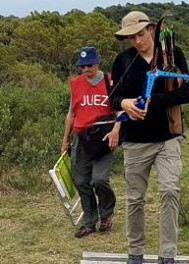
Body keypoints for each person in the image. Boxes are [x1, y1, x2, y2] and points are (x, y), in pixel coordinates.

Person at [110, 11, 189, 264]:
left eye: (140, 34)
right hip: (135, 141)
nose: (137, 40)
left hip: (167, 136)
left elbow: (185, 93)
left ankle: (167, 255)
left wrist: (150, 101)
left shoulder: (172, 54)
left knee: (169, 191)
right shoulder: (123, 61)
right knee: (135, 199)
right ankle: (135, 253)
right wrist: (125, 103)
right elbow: (111, 99)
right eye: (131, 37)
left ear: (152, 30)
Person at [61, 46, 118, 238]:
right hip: (81, 137)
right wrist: (65, 140)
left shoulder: (110, 81)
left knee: (99, 179)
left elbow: (120, 111)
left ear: (97, 63)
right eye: (82, 66)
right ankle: (89, 221)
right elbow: (71, 113)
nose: (86, 69)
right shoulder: (76, 84)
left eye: (89, 65)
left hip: (103, 137)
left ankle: (107, 213)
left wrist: (116, 132)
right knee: (81, 181)